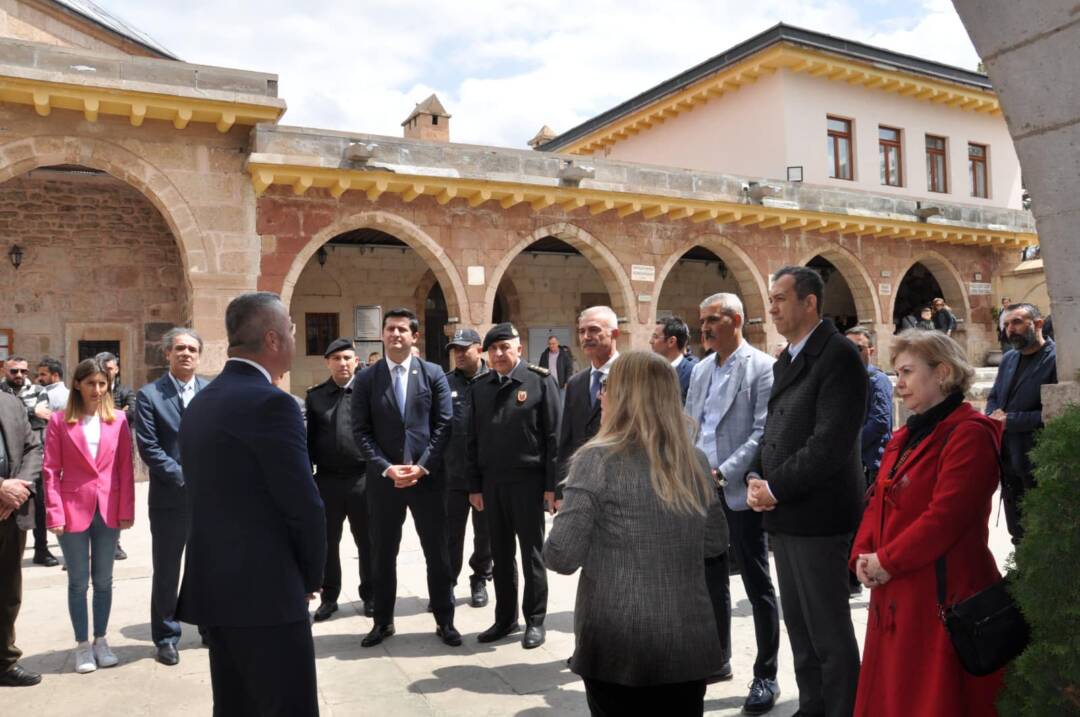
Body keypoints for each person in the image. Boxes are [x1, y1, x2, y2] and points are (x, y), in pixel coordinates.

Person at [544, 351, 727, 715]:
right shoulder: (695, 460)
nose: (601, 395)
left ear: (626, 396)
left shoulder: (596, 459)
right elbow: (715, 541)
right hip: (687, 643)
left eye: (608, 387)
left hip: (618, 644)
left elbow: (561, 556)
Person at [177, 292, 325, 716]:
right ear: (273, 339)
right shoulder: (272, 404)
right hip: (268, 593)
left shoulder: (202, 401)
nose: (296, 338)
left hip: (218, 590)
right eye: (292, 330)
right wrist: (311, 576)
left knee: (235, 704)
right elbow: (303, 505)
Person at [851, 330, 1005, 716]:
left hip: (941, 596)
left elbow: (945, 518)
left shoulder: (969, 434)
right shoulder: (906, 435)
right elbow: (877, 499)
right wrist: (862, 554)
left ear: (942, 372)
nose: (898, 383)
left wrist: (886, 560)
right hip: (896, 594)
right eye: (896, 373)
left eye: (907, 372)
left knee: (933, 699)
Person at [745, 266, 865, 717]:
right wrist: (755, 476)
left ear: (809, 302)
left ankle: (841, 709)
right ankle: (812, 706)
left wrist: (774, 487)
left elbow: (829, 444)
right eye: (771, 299)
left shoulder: (838, 356)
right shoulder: (787, 359)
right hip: (786, 514)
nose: (772, 308)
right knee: (800, 629)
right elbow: (773, 431)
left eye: (780, 299)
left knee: (828, 632)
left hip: (819, 516)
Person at [685, 293, 780, 714]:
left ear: (736, 320)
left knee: (758, 584)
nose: (704, 327)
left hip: (737, 488)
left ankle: (766, 675)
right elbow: (691, 424)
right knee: (710, 581)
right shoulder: (701, 369)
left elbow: (762, 432)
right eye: (702, 320)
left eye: (712, 319)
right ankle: (717, 658)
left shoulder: (762, 367)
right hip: (700, 489)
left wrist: (722, 473)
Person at [351, 308, 458, 648]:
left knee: (437, 552)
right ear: (382, 334)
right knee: (382, 553)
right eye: (390, 329)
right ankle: (382, 622)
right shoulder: (367, 378)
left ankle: (445, 620)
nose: (395, 334)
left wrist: (423, 466)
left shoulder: (433, 373)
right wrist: (386, 467)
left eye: (402, 329)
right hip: (385, 482)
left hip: (427, 480)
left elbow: (444, 424)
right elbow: (360, 431)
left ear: (414, 336)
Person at [467, 323, 562, 649]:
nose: (498, 354)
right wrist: (474, 486)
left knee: (531, 553)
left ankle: (535, 620)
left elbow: (553, 437)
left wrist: (552, 486)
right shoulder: (480, 387)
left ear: (519, 349)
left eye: (504, 347)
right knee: (500, 553)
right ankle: (505, 618)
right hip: (492, 483)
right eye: (493, 349)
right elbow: (472, 440)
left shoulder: (539, 381)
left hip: (528, 482)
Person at [42, 358, 135, 674]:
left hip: (108, 508)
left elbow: (125, 468)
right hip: (72, 510)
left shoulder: (118, 420)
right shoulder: (60, 421)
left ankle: (101, 640)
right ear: (77, 385)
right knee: (78, 582)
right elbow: (50, 470)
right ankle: (82, 644)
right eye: (90, 383)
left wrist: (126, 510)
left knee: (104, 581)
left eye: (102, 383)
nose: (97, 389)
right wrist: (54, 512)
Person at [134, 328, 208, 666]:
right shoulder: (149, 395)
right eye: (179, 348)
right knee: (167, 570)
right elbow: (149, 447)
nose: (186, 353)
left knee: (207, 566)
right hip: (170, 499)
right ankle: (165, 636)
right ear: (167, 353)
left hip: (210, 498)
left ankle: (209, 625)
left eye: (192, 349)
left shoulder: (211, 392)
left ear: (199, 355)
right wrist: (185, 477)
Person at [304, 338, 373, 622]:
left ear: (356, 361)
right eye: (336, 358)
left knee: (368, 542)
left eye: (347, 358)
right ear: (327, 363)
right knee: (327, 543)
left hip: (362, 479)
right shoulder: (316, 396)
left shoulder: (367, 393)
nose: (342, 363)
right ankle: (329, 597)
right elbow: (308, 442)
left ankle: (371, 595)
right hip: (328, 481)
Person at [985, 303, 1057, 543]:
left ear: (1038, 324)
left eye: (1016, 322)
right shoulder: (1008, 359)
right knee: (1018, 532)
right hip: (1008, 462)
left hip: (1039, 465)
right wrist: (992, 416)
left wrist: (1011, 421)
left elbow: (1057, 414)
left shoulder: (1057, 359)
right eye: (1006, 324)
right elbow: (994, 397)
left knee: (1042, 535)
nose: (1010, 329)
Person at [443, 328, 492, 608]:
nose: (459, 354)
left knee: (485, 534)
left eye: (464, 348)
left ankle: (480, 578)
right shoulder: (445, 383)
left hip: (485, 476)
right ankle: (448, 582)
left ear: (479, 348)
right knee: (451, 534)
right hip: (453, 475)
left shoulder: (493, 381)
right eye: (455, 350)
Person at [844, 326, 894, 597]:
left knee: (866, 522)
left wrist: (848, 445)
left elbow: (880, 421)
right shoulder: (843, 379)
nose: (852, 353)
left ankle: (861, 576)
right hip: (849, 462)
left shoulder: (877, 380)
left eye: (859, 347)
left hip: (869, 462)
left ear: (870, 351)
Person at [0, 391, 44, 687]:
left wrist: (18, 490)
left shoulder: (11, 403)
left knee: (7, 592)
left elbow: (33, 449)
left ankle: (4, 661)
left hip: (11, 513)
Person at [558, 306, 620, 499]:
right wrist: (560, 488)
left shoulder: (632, 377)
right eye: (581, 331)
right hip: (581, 486)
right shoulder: (576, 383)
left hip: (620, 483)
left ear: (614, 334)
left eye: (594, 330)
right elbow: (567, 439)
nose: (586, 337)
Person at [2, 357, 53, 567]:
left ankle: (41, 549)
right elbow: (33, 414)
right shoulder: (3, 393)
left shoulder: (39, 390)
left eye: (23, 371)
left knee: (39, 506)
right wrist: (32, 411)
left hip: (30, 462)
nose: (19, 375)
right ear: (4, 371)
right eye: (14, 371)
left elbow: (43, 417)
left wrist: (17, 488)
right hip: (7, 467)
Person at [95, 352, 134, 562]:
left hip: (119, 451)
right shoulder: (91, 390)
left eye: (110, 369)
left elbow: (132, 414)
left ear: (117, 370)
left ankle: (115, 543)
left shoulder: (125, 391)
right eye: (103, 368)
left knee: (115, 498)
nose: (107, 372)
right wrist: (119, 412)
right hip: (94, 451)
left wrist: (115, 415)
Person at [650, 316, 697, 404]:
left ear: (671, 341)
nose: (651, 341)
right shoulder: (650, 370)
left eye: (655, 337)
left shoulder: (693, 373)